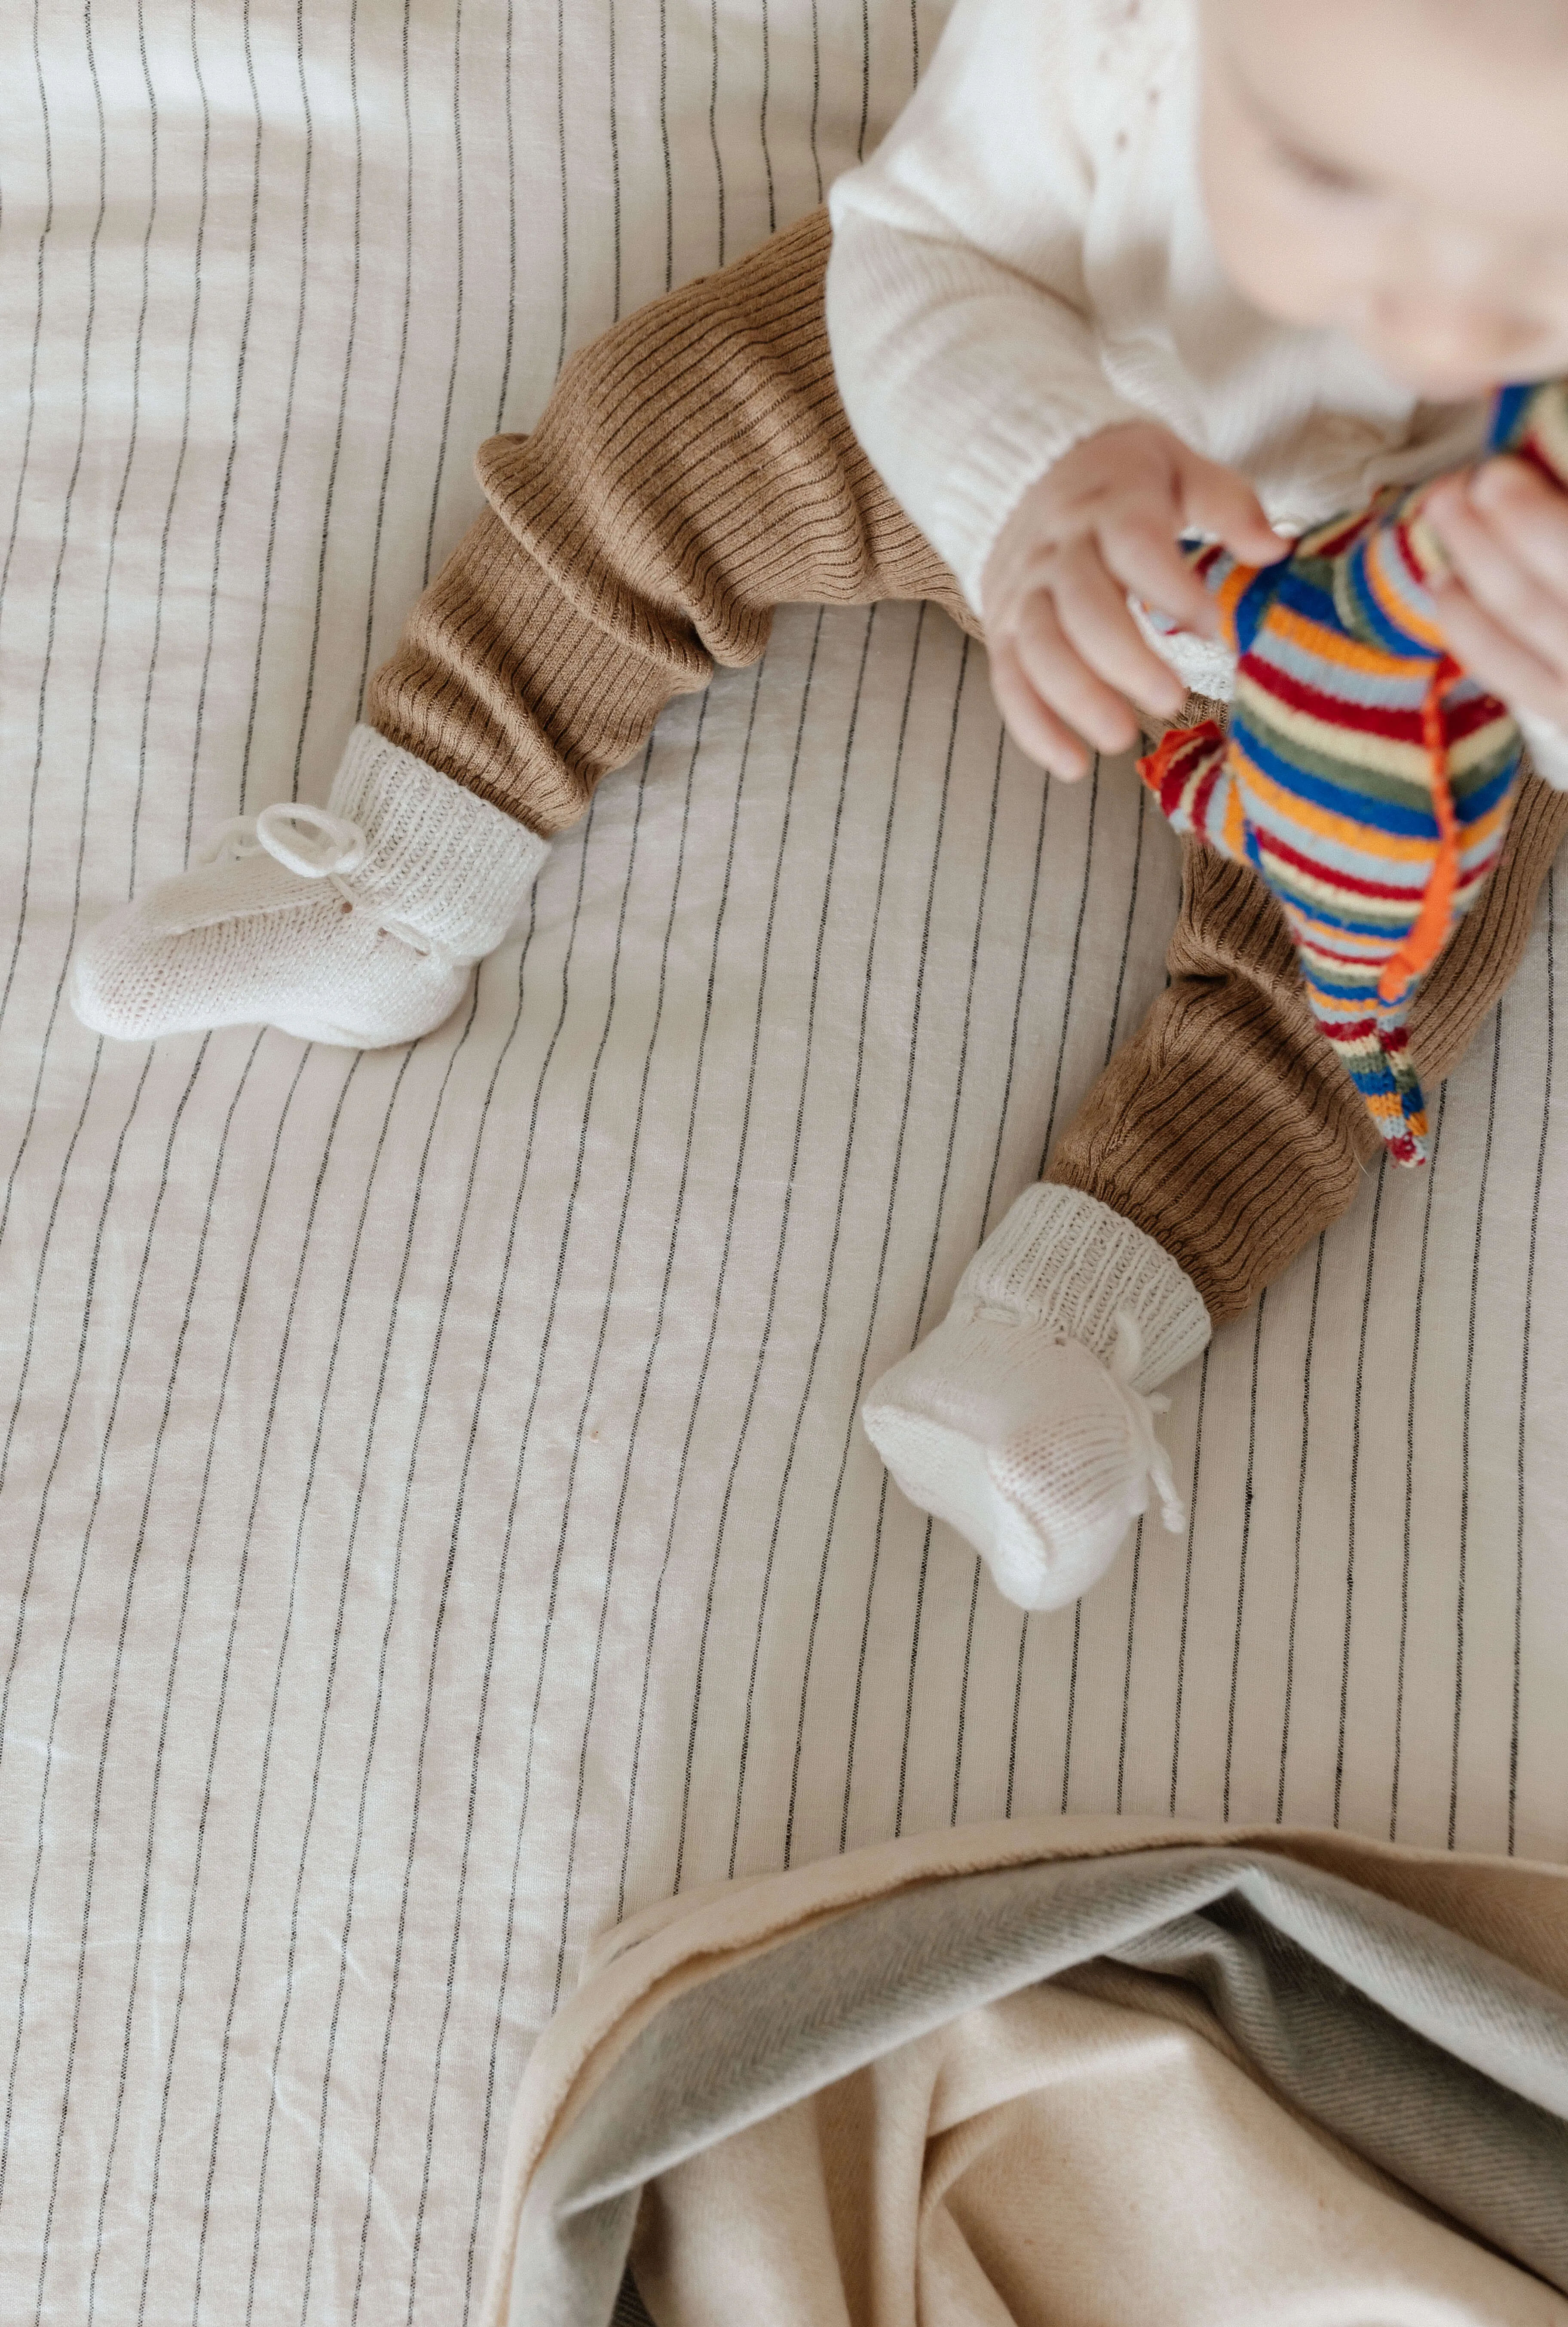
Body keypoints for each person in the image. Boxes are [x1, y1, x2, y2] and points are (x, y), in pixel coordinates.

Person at [71, 0, 1568, 1610]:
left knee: (1386, 979)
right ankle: (406, 858)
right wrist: (1028, 476)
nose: (1437, 323)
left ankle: (1079, 1319)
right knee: (676, 419)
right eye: (1329, 174)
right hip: (1046, 435)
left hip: (1385, 695)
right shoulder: (1115, 38)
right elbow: (930, 249)